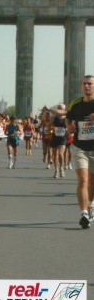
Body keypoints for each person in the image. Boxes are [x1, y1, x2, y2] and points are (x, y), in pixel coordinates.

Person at [53, 75, 94, 229]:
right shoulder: (76, 103)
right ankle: (83, 213)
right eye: (84, 84)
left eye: (90, 84)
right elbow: (68, 118)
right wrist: (69, 127)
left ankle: (90, 205)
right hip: (80, 147)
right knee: (83, 178)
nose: (87, 87)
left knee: (92, 181)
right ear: (81, 86)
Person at [50, 104, 67, 178]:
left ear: (64, 109)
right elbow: (50, 126)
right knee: (55, 155)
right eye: (59, 108)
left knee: (60, 154)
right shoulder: (54, 117)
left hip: (62, 138)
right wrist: (52, 127)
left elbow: (69, 126)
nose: (60, 110)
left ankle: (61, 168)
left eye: (61, 108)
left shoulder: (66, 118)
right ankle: (56, 170)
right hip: (55, 137)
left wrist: (67, 130)